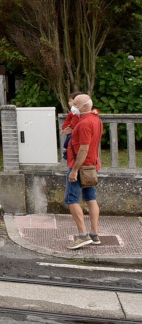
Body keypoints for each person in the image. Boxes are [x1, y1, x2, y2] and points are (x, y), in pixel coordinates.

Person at [65, 93, 104, 249]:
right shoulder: (97, 120)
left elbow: (83, 148)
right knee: (90, 198)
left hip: (80, 167)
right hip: (92, 165)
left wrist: (74, 170)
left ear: (85, 106)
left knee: (72, 199)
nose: (73, 107)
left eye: (75, 104)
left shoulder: (84, 123)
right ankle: (94, 234)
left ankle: (82, 235)